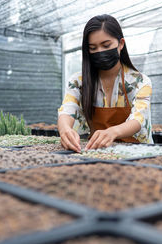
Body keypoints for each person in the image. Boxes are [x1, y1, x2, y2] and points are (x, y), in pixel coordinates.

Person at [57, 14, 153, 153]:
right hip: (97, 151)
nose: (100, 52)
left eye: (106, 45)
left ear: (121, 44)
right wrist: (65, 130)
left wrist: (113, 132)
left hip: (137, 152)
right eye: (93, 48)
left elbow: (139, 119)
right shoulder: (78, 82)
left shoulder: (139, 82)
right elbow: (67, 109)